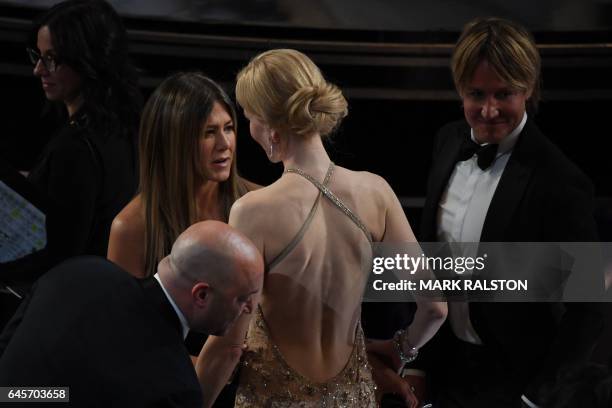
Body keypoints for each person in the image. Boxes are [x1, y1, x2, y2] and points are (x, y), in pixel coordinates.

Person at [195, 49, 447, 407]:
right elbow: (435, 307)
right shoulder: (376, 192)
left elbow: (229, 345)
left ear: (270, 124)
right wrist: (400, 349)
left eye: (249, 117)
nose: (249, 128)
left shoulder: (253, 211)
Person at [419, 17, 603, 407]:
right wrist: (420, 364)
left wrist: (537, 398)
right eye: (476, 94)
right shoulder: (447, 141)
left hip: (518, 382)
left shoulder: (560, 180)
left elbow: (591, 308)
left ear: (528, 88)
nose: (488, 111)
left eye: (504, 94)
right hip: (447, 371)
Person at [0, 221, 263, 407]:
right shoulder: (176, 388)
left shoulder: (80, 271)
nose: (250, 308)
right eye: (243, 298)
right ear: (201, 295)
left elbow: (8, 350)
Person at [1, 0, 142, 286]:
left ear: (87, 59)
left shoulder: (76, 146)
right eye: (38, 56)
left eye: (52, 58)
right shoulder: (126, 126)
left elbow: (61, 253)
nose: (39, 70)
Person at [108, 72, 257, 279]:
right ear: (174, 142)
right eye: (209, 132)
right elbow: (122, 310)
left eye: (228, 128)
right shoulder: (130, 228)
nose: (225, 144)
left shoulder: (259, 204)